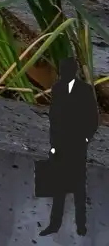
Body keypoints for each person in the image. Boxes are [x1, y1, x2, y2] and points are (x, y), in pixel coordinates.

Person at [42, 53, 100, 237]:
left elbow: (93, 118)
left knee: (78, 186)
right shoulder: (58, 89)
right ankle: (54, 224)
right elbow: (54, 118)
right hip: (60, 144)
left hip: (77, 144)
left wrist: (85, 139)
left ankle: (81, 225)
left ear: (74, 71)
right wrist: (53, 144)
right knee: (58, 185)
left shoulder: (84, 90)